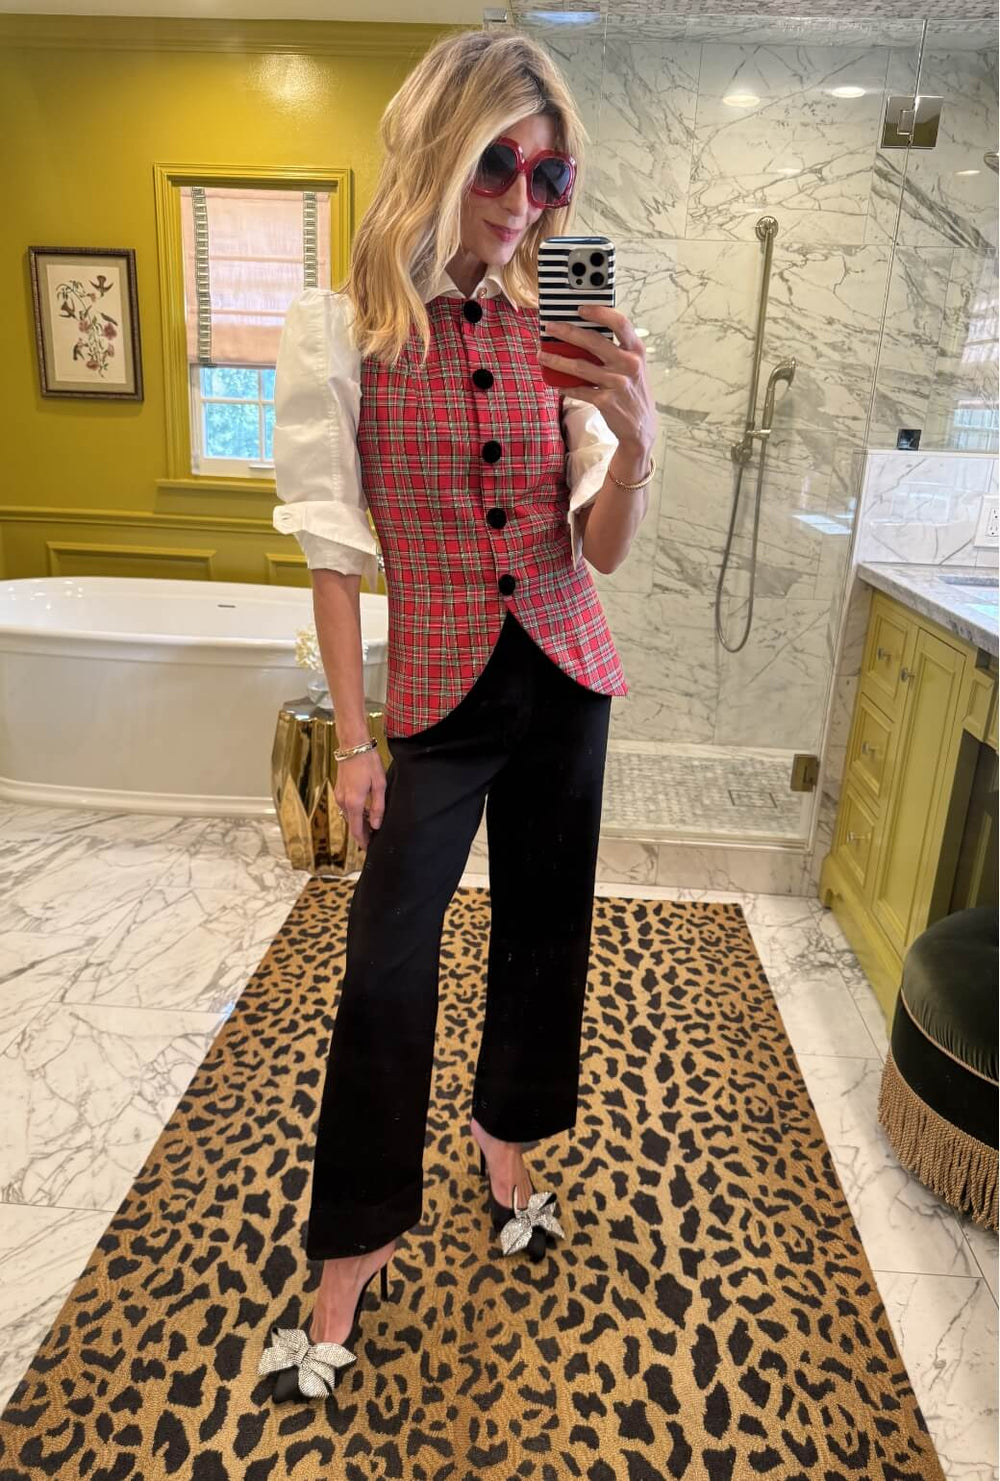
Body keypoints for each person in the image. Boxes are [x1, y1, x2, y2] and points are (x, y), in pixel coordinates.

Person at [258, 28, 657, 1404]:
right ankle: (354, 1247)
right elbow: (333, 553)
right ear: (437, 147)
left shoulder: (572, 301)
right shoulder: (343, 324)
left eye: (551, 176)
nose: (524, 200)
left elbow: (600, 548)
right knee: (385, 964)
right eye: (498, 163)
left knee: (546, 934)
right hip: (433, 685)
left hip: (566, 668)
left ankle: (507, 1139)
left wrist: (640, 445)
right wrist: (354, 739)